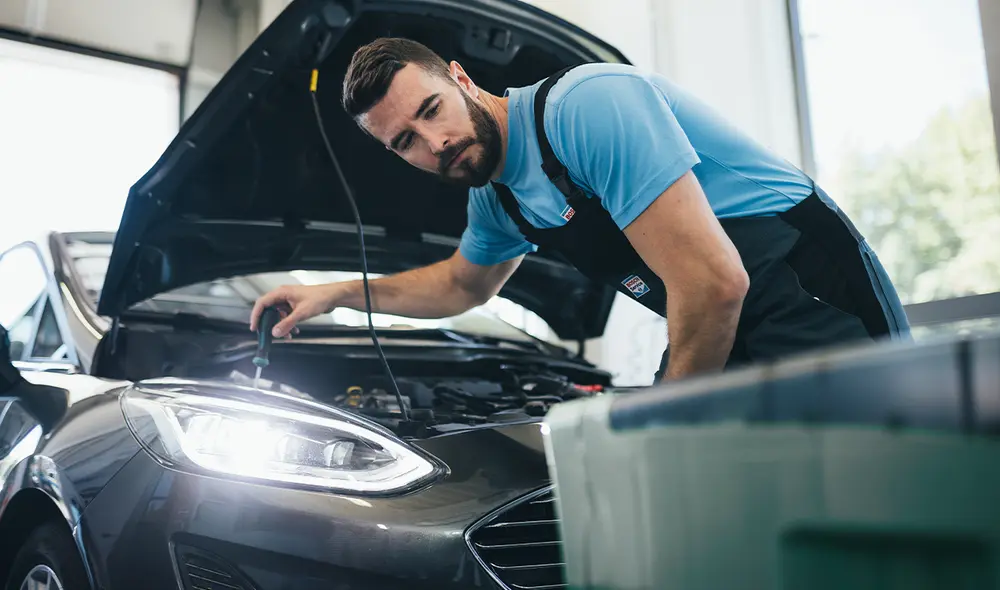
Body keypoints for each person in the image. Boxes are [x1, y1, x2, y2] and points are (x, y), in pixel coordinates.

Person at [250, 37, 910, 383]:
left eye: (430, 112)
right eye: (405, 143)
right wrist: (334, 293)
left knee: (875, 498)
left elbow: (713, 283)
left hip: (810, 289)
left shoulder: (587, 110)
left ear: (460, 78)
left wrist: (661, 423)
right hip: (723, 318)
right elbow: (459, 285)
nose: (436, 143)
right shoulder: (497, 196)